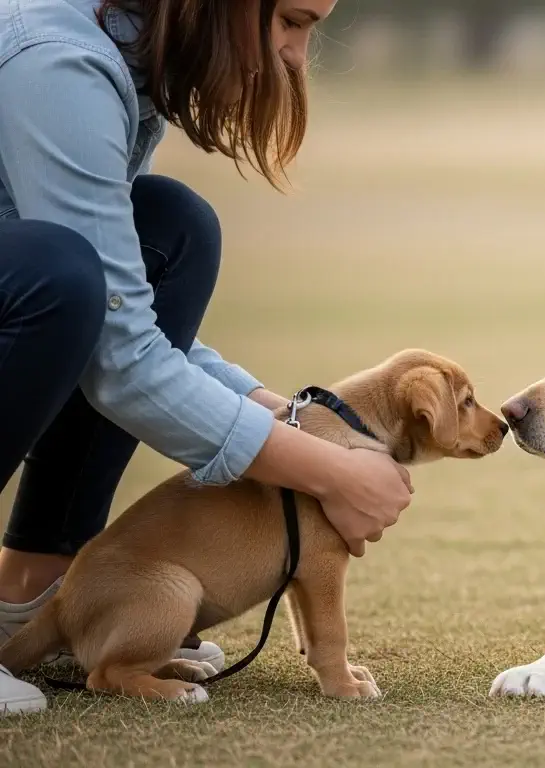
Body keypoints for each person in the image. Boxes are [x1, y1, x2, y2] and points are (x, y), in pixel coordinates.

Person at [0, 0, 413, 714]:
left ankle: (34, 592)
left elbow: (124, 312)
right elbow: (123, 358)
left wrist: (295, 418)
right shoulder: (59, 63)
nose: (297, 56)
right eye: (291, 21)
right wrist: (333, 472)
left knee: (170, 227)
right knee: (58, 274)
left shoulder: (125, 57)